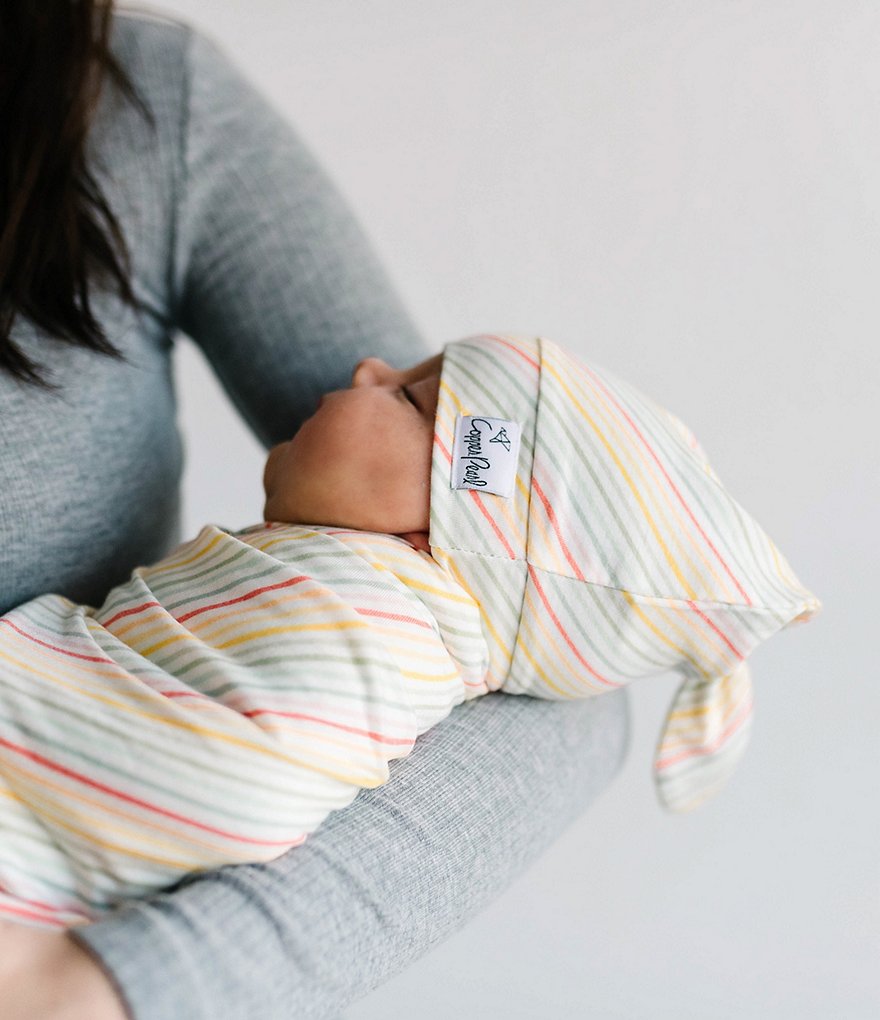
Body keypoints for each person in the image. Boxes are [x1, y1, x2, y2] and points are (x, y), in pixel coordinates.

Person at [0, 5, 632, 1018]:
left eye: (409, 393)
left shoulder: (142, 106)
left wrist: (110, 989)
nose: (368, 370)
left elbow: (563, 685)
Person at [0, 329, 820, 933]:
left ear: (450, 534)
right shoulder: (353, 577)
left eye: (406, 394)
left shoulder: (371, 625)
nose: (367, 366)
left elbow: (228, 782)